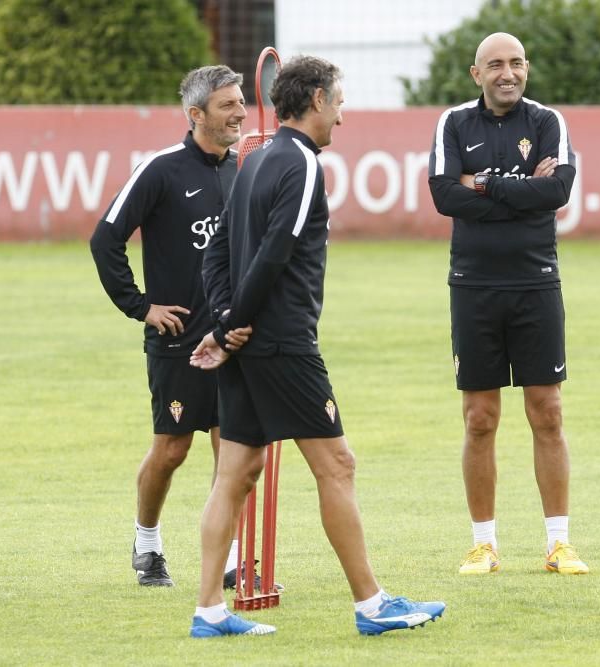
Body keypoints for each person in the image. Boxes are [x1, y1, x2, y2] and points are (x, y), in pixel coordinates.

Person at [187, 55, 446, 638]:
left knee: (236, 471)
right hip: (282, 344)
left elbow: (218, 250)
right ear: (319, 100)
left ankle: (208, 611)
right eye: (340, 102)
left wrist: (227, 321)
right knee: (337, 464)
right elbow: (273, 253)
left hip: (252, 340)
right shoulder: (302, 165)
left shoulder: (253, 161)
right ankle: (373, 606)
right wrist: (234, 325)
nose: (343, 116)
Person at [91, 65, 258, 589]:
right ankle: (146, 542)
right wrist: (141, 307)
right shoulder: (160, 169)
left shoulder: (244, 170)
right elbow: (106, 238)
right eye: (227, 105)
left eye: (240, 102)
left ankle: (229, 559)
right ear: (196, 114)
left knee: (231, 450)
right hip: (178, 341)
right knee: (172, 449)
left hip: (234, 337)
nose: (240, 113)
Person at [428, 32, 588, 576]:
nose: (507, 73)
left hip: (536, 283)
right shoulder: (454, 123)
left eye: (516, 63)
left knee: (548, 411)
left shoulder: (548, 123)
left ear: (527, 68)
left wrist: (484, 185)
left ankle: (559, 543)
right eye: (495, 65)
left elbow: (556, 193)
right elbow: (444, 196)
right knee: (479, 418)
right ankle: (484, 544)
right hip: (472, 285)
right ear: (477, 74)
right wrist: (516, 192)